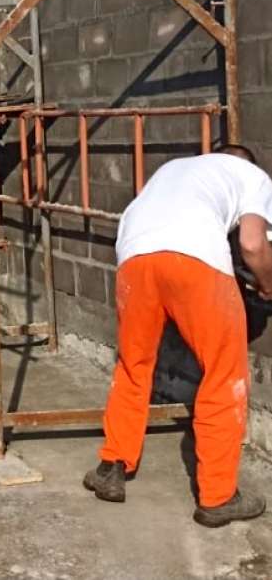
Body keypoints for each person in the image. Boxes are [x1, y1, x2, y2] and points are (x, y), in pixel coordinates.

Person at [84, 145, 272, 528]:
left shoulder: (175, 169)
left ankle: (112, 467)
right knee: (223, 375)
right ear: (244, 161)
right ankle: (218, 496)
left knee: (135, 367)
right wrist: (268, 285)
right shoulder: (252, 176)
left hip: (135, 260)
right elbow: (252, 244)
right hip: (195, 261)